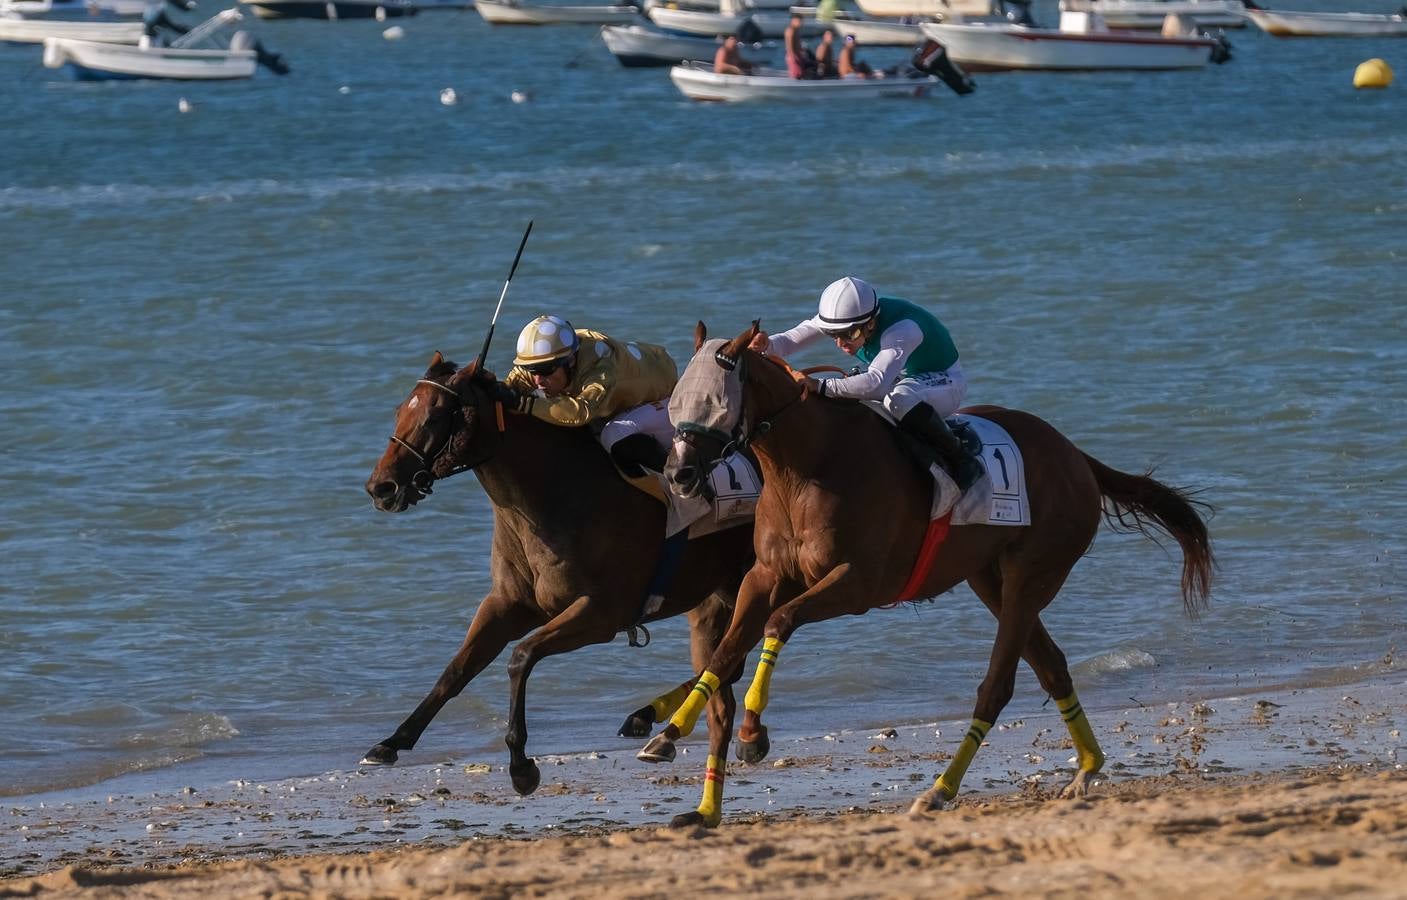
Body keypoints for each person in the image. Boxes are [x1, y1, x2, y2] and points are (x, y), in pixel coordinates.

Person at [748, 276, 985, 490]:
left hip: (944, 381)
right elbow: (792, 340)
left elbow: (877, 384)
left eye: (849, 335)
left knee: (898, 400)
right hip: (899, 377)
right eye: (833, 335)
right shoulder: (845, 319)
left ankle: (961, 459)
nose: (840, 343)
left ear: (871, 323)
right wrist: (766, 346)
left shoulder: (903, 329)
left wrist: (819, 385)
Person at [498, 315, 679, 478]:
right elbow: (510, 386)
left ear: (570, 361)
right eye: (532, 370)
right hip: (620, 398)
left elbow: (581, 412)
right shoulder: (548, 357)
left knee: (613, 435)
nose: (537, 381)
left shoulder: (601, 367)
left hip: (663, 398)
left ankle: (684, 481)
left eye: (545, 371)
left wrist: (524, 404)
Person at [784, 13, 816, 79]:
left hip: (797, 55)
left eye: (801, 21)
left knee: (801, 73)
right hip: (792, 56)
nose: (801, 23)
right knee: (797, 75)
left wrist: (802, 52)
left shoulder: (796, 30)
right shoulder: (791, 30)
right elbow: (790, 46)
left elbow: (797, 44)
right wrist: (794, 57)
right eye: (799, 21)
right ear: (793, 20)